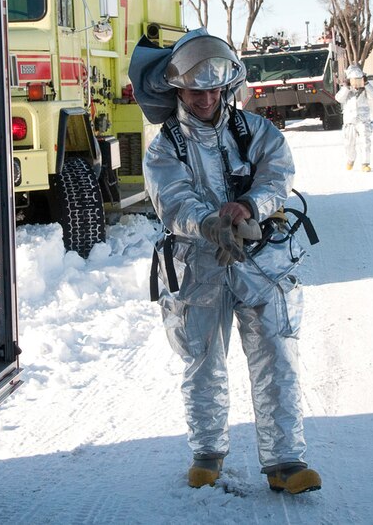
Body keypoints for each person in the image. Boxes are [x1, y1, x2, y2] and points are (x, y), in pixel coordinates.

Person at [130, 29, 321, 495]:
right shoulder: (164, 147)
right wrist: (211, 222)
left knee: (276, 356)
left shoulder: (256, 132)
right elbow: (172, 200)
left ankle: (286, 462)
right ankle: (208, 453)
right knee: (203, 361)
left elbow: (278, 175)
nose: (206, 99)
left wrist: (251, 207)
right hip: (199, 266)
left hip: (260, 264)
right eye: (197, 91)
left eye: (215, 89)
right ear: (178, 88)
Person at [335, 63, 373, 172]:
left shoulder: (365, 88)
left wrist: (366, 84)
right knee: (349, 143)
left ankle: (365, 163)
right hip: (350, 120)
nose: (356, 82)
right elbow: (338, 98)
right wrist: (346, 87)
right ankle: (350, 160)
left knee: (365, 141)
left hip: (363, 120)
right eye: (353, 79)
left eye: (358, 79)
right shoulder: (346, 89)